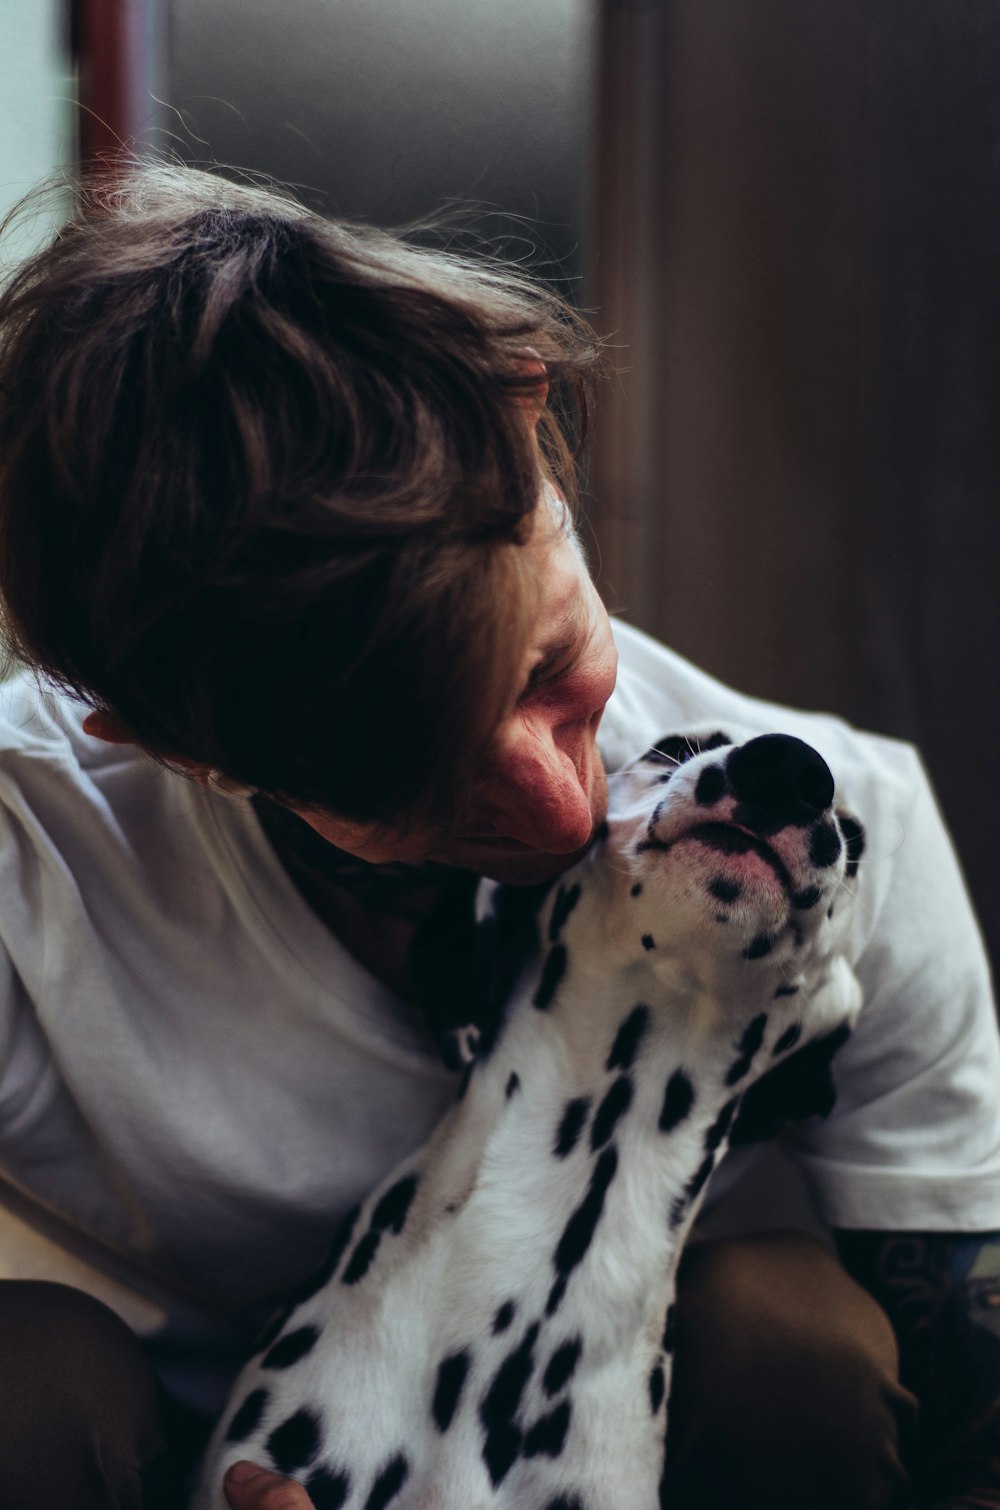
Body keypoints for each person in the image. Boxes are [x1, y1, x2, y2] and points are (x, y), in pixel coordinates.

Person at [0, 161, 996, 1510]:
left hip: (641, 1444)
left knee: (792, 1344)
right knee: (32, 1385)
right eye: (413, 781)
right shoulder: (27, 855)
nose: (560, 812)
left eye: (547, 668)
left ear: (527, 411)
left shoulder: (848, 831)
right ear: (166, 741)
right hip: (180, 1455)